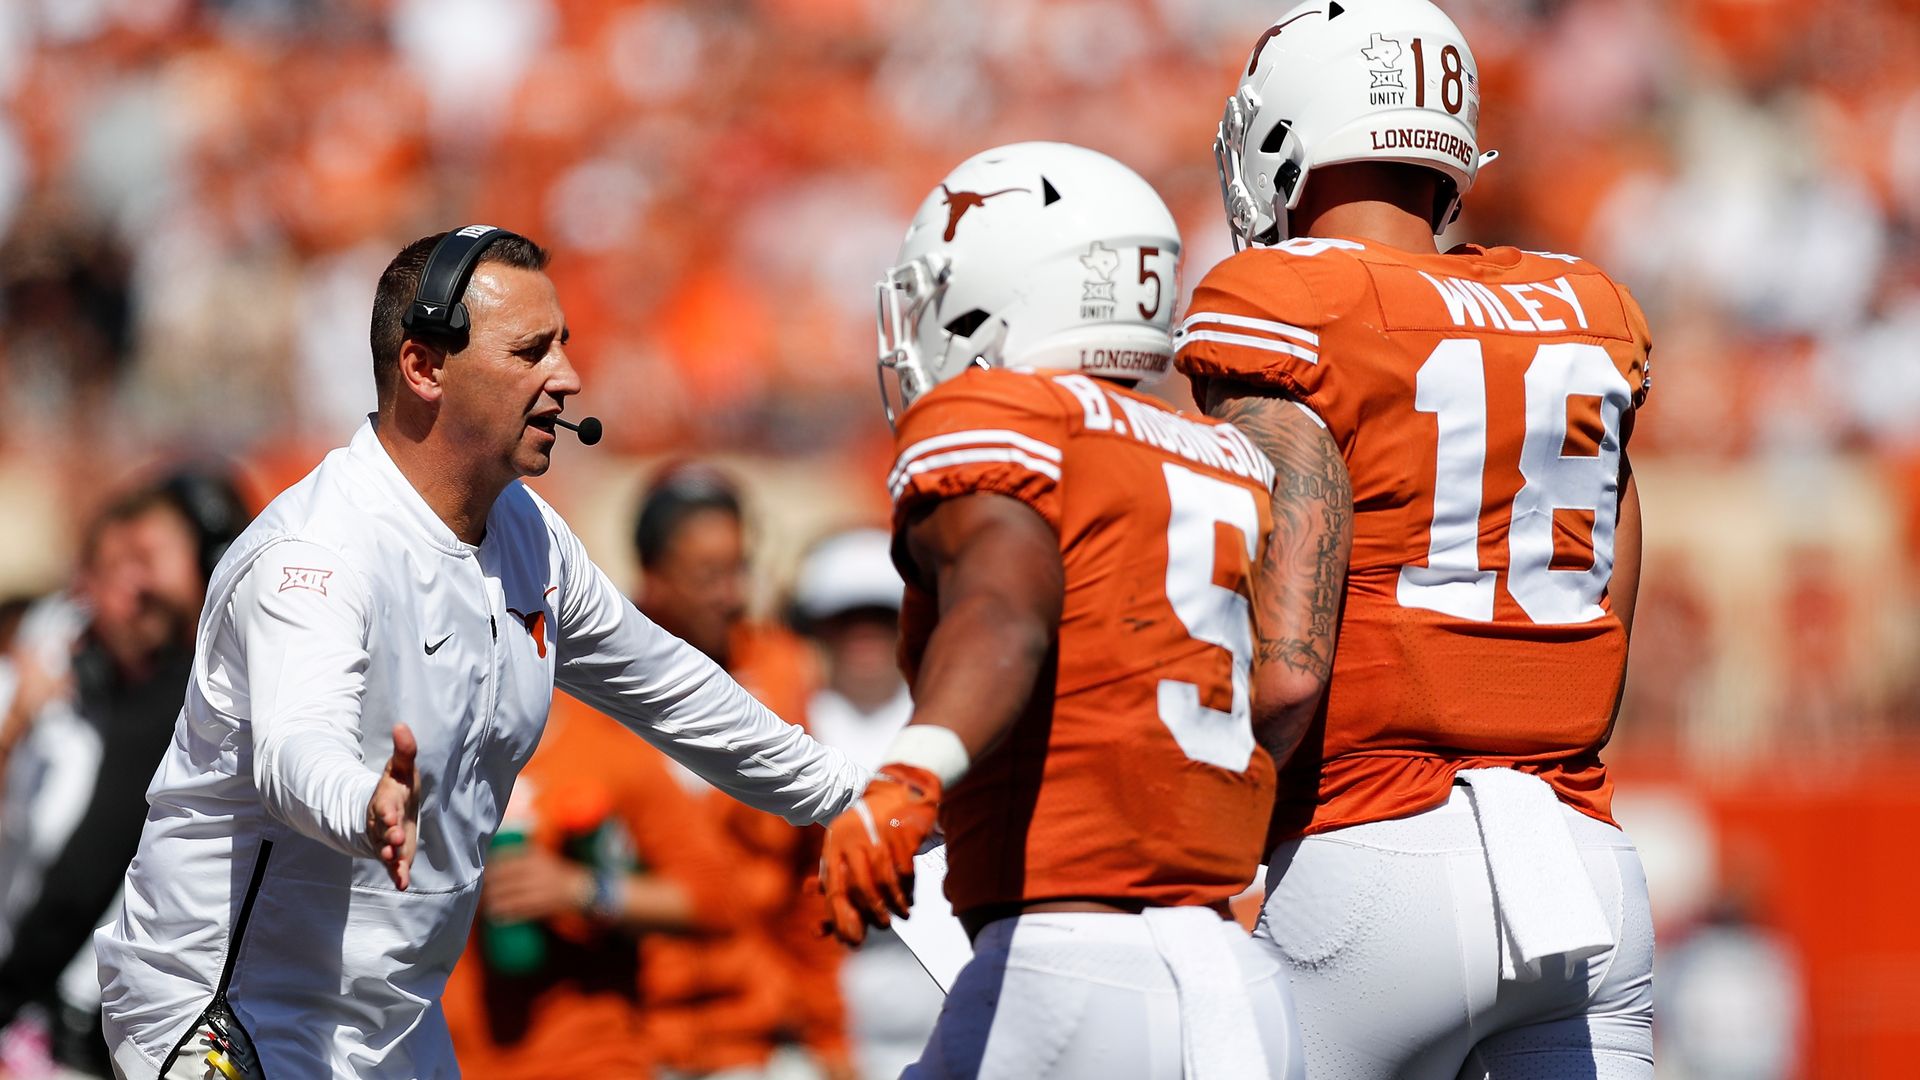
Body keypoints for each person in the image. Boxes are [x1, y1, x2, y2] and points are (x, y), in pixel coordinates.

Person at [93, 227, 867, 1079]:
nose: (567, 377)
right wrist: (363, 802)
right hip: (232, 1007)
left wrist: (859, 801)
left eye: (563, 345)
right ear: (424, 367)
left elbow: (675, 690)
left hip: (395, 1017)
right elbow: (293, 752)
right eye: (532, 351)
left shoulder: (529, 535)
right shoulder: (317, 553)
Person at [1176, 2, 1656, 1076]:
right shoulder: (1585, 310)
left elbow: (1287, 672)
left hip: (1365, 855)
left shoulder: (1286, 300)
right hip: (1584, 871)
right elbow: (1608, 621)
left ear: (1289, 134)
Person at [817, 141, 1306, 1079]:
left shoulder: (1009, 419)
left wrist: (909, 774)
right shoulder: (1226, 455)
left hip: (1064, 961)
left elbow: (1006, 605)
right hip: (1232, 977)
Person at [0, 472, 248, 1077]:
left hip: (86, 1034)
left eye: (155, 572)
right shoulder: (37, 668)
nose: (136, 589)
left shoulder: (180, 703)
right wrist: (16, 726)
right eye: (123, 562)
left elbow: (77, 886)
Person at [625, 465, 853, 1080]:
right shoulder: (584, 686)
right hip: (639, 1036)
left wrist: (830, 1033)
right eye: (707, 575)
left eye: (739, 569)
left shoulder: (781, 671)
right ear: (652, 578)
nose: (731, 595)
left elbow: (808, 871)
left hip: (764, 1032)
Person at [789, 528, 940, 1080]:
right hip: (830, 982)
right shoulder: (783, 723)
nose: (864, 636)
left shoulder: (946, 725)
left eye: (880, 617)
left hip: (944, 976)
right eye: (845, 619)